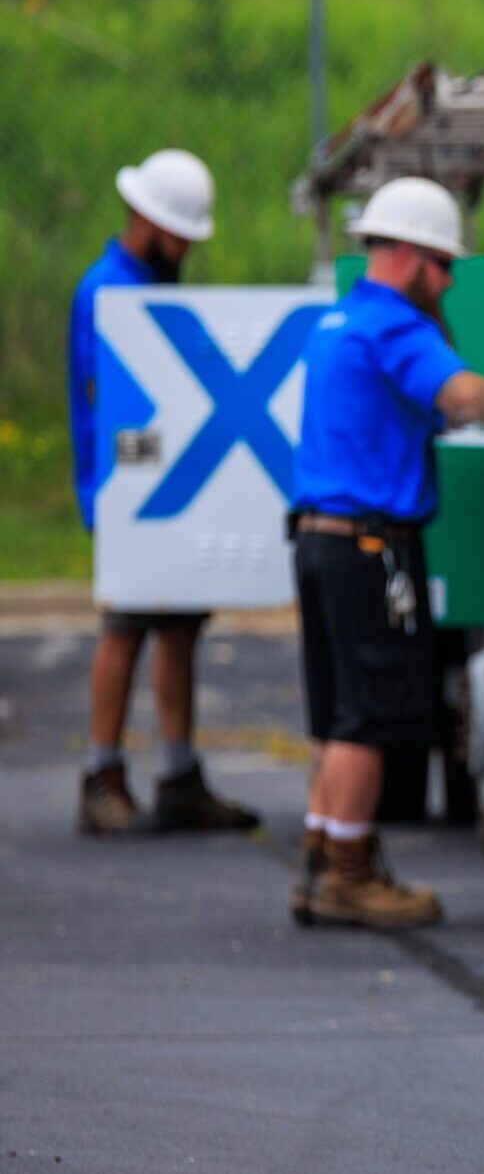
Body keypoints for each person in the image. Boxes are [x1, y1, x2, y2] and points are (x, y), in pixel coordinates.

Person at [288, 178, 484, 930]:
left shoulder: (342, 319)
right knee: (366, 717)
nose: (451, 280)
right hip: (369, 549)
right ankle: (351, 878)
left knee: (335, 717)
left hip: (320, 541)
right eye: (443, 265)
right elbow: (462, 399)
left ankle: (324, 858)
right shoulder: (395, 328)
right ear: (411, 256)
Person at [68, 149, 262, 837]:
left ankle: (178, 775)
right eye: (180, 232)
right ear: (148, 221)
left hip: (166, 487)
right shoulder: (108, 291)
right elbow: (117, 402)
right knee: (126, 622)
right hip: (131, 488)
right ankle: (102, 775)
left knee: (179, 622)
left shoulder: (148, 284)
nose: (185, 246)